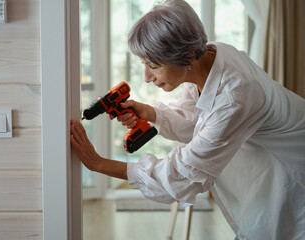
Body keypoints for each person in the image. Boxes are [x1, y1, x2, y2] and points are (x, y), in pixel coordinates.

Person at [70, 0, 305, 239]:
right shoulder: (210, 58)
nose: (147, 77)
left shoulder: (235, 95)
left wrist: (99, 164)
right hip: (269, 169)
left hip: (294, 172)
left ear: (187, 54)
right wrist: (151, 113)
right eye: (144, 64)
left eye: (153, 65)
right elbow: (197, 120)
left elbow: (182, 175)